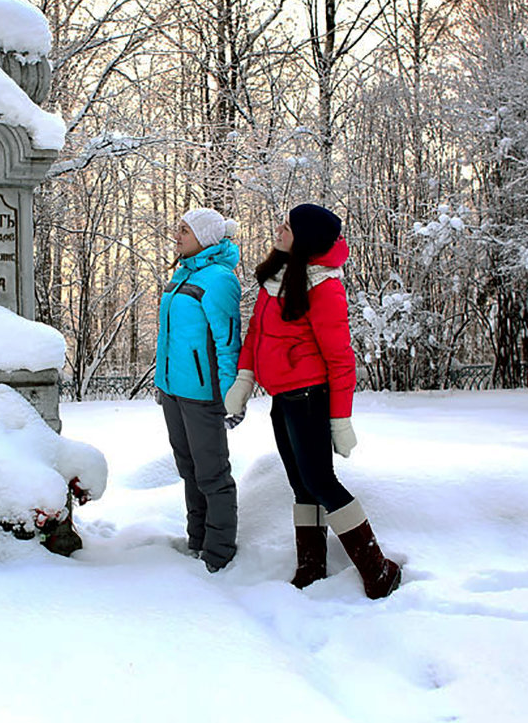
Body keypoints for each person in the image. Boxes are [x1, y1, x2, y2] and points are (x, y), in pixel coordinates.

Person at [224, 203, 401, 599]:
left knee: (321, 482)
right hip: (282, 398)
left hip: (309, 397)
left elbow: (340, 359)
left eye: (286, 227)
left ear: (304, 239)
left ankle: (378, 570)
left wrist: (340, 420)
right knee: (301, 485)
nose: (278, 230)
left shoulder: (325, 286)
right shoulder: (278, 276)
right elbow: (256, 334)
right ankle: (311, 568)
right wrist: (244, 379)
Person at [155, 208, 242, 573]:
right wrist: (162, 384)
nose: (177, 235)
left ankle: (218, 554)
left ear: (205, 237)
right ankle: (197, 541)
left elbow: (227, 342)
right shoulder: (182, 274)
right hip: (174, 390)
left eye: (185, 230)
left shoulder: (219, 279)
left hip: (204, 394)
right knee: (188, 468)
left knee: (212, 473)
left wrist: (230, 396)